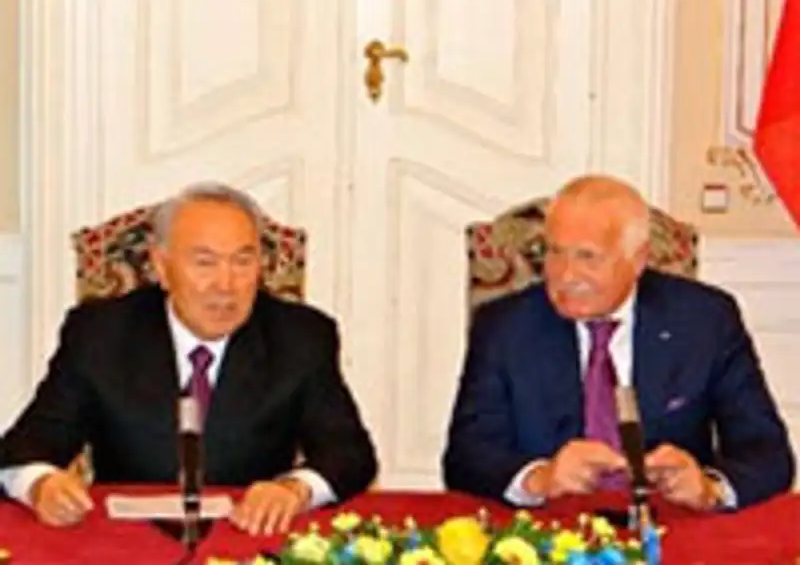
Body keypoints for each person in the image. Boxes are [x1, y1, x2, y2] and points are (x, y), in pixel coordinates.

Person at [0, 182, 378, 535]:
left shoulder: (301, 337)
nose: (225, 285)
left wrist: (295, 489)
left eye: (242, 261)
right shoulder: (100, 334)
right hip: (130, 541)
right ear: (161, 266)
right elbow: (27, 446)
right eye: (204, 262)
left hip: (248, 537)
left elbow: (349, 454)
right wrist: (41, 484)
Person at [443, 174, 795, 511]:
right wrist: (540, 479)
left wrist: (710, 488)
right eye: (554, 252)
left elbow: (768, 454)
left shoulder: (705, 320)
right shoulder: (504, 327)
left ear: (637, 259)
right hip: (549, 530)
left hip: (669, 528)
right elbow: (466, 459)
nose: (566, 275)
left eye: (587, 256)